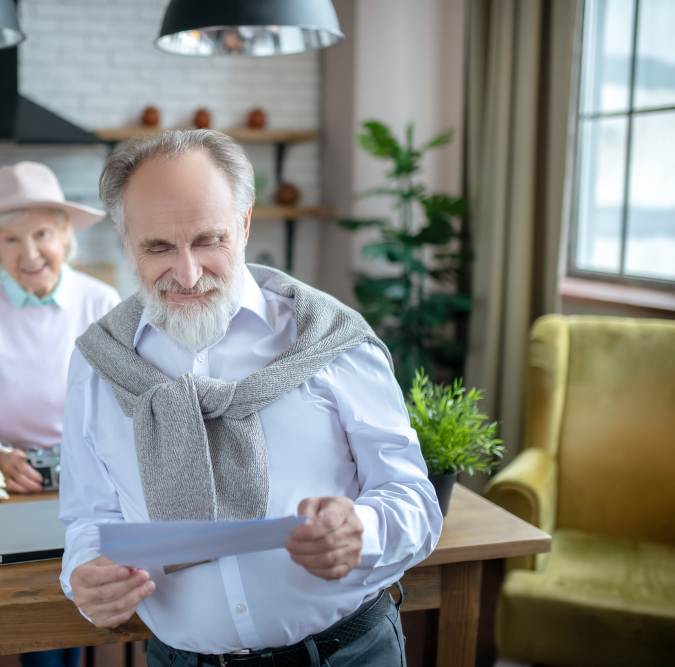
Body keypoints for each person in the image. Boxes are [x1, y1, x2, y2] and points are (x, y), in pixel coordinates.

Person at [58, 131, 443, 666]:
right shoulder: (97, 365)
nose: (188, 274)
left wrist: (365, 531)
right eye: (158, 247)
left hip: (346, 654)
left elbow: (414, 499)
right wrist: (85, 573)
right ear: (126, 241)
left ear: (243, 224)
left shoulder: (330, 339)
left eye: (208, 240)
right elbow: (87, 518)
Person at [0, 162, 119, 667]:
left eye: (42, 233)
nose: (30, 252)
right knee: (34, 617)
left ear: (65, 235)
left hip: (92, 484)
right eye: (12, 240)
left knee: (86, 597)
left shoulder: (102, 302)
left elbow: (121, 408)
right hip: (8, 486)